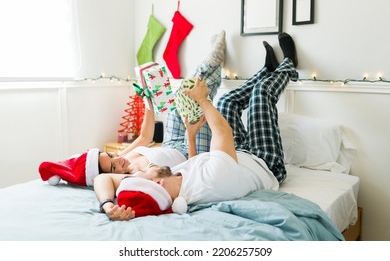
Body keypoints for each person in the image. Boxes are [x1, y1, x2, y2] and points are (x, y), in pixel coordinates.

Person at [94, 32, 299, 221]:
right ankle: (289, 64)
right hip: (263, 162)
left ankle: (267, 70)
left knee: (227, 102)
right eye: (145, 172)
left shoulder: (174, 185)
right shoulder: (212, 181)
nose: (148, 167)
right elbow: (222, 132)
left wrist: (190, 136)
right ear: (157, 184)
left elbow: (195, 166)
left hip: (236, 155)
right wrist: (203, 100)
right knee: (261, 94)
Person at [38, 30, 226, 187]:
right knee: (199, 105)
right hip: (189, 151)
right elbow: (190, 172)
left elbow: (145, 137)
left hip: (171, 142)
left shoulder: (122, 156)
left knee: (184, 94)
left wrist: (148, 101)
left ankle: (213, 63)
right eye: (113, 167)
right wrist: (191, 136)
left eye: (110, 156)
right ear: (112, 175)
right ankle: (212, 63)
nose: (118, 160)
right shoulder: (135, 176)